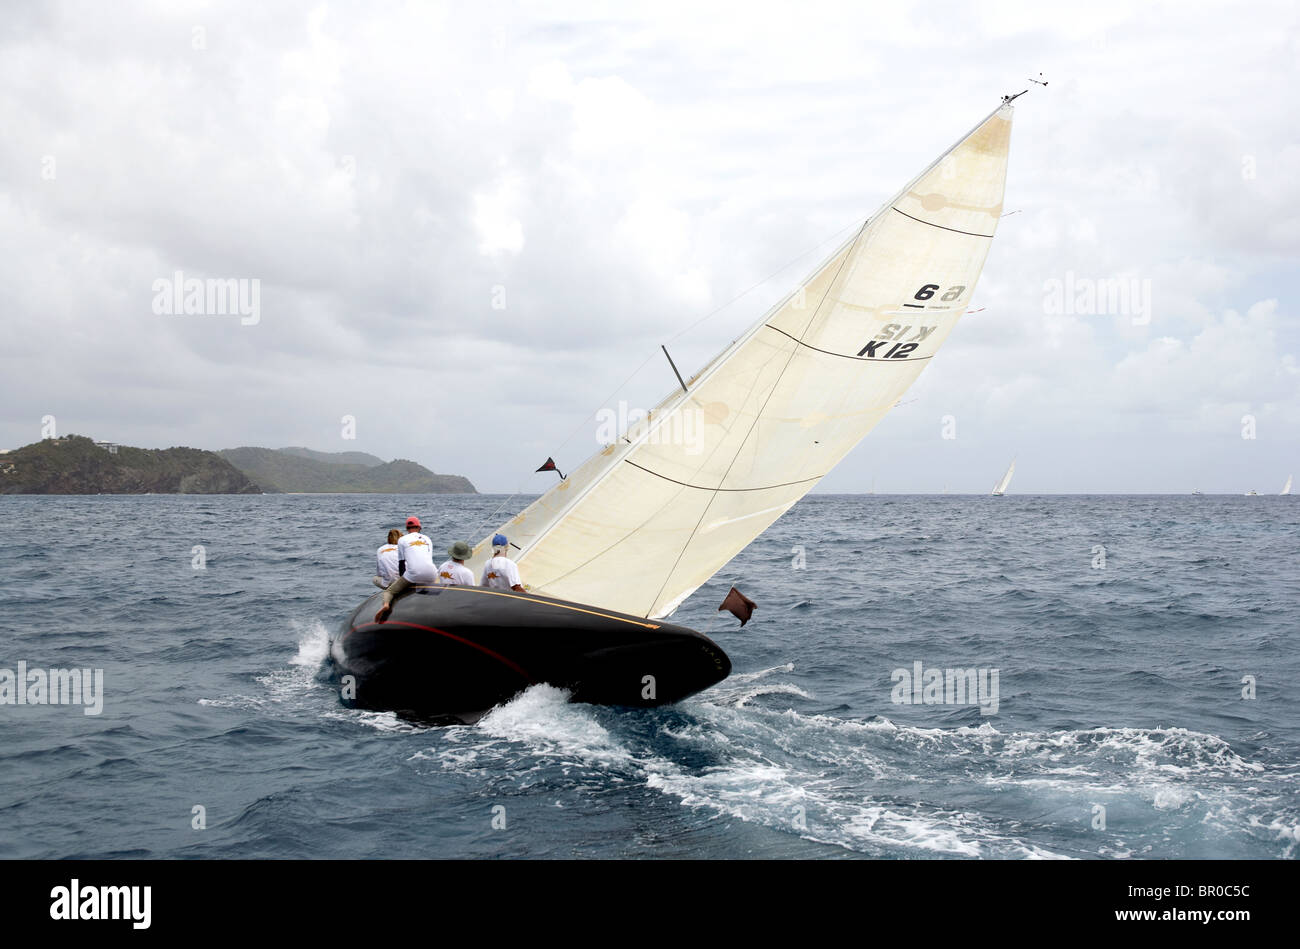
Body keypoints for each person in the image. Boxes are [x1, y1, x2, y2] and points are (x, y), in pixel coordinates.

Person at [374, 516, 437, 623]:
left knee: (389, 592)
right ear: (419, 527)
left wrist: (403, 581)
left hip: (414, 574)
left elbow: (401, 564)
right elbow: (428, 558)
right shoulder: (427, 539)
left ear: (407, 529)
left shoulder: (402, 540)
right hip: (432, 572)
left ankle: (385, 605)